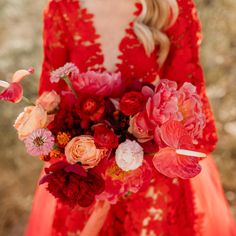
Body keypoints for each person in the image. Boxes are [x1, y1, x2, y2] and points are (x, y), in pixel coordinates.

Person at [26, 0, 236, 235]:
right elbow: (48, 105)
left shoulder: (174, 8)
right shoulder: (62, 9)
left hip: (154, 183)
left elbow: (190, 106)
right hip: (85, 183)